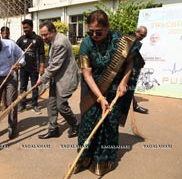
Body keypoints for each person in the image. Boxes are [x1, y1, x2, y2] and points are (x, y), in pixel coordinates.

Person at [75, 9, 144, 176]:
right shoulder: (86, 44)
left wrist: (123, 82)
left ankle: (104, 160)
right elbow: (87, 73)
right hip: (92, 90)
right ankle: (84, 158)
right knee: (88, 123)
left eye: (99, 32)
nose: (94, 35)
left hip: (114, 90)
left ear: (108, 28)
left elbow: (130, 63)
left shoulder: (121, 40)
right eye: (90, 31)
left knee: (109, 124)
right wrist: (99, 97)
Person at [35, 21, 79, 139]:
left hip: (65, 78)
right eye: (42, 35)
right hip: (56, 77)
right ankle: (53, 129)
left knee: (61, 106)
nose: (44, 38)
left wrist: (42, 79)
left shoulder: (60, 43)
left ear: (53, 31)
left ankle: (75, 125)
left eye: (46, 35)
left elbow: (54, 66)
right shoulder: (53, 40)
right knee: (51, 104)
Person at [16, 19, 45, 114]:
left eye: (26, 27)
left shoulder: (38, 39)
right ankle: (22, 104)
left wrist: (41, 66)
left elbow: (41, 54)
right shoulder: (21, 39)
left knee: (34, 87)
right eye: (23, 28)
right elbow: (15, 51)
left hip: (34, 68)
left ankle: (35, 105)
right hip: (23, 68)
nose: (25, 29)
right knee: (22, 87)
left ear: (31, 27)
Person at [132, 26, 149, 114]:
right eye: (141, 35)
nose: (142, 38)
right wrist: (141, 61)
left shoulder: (136, 41)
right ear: (137, 32)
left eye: (144, 36)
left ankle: (135, 106)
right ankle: (135, 106)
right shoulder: (131, 39)